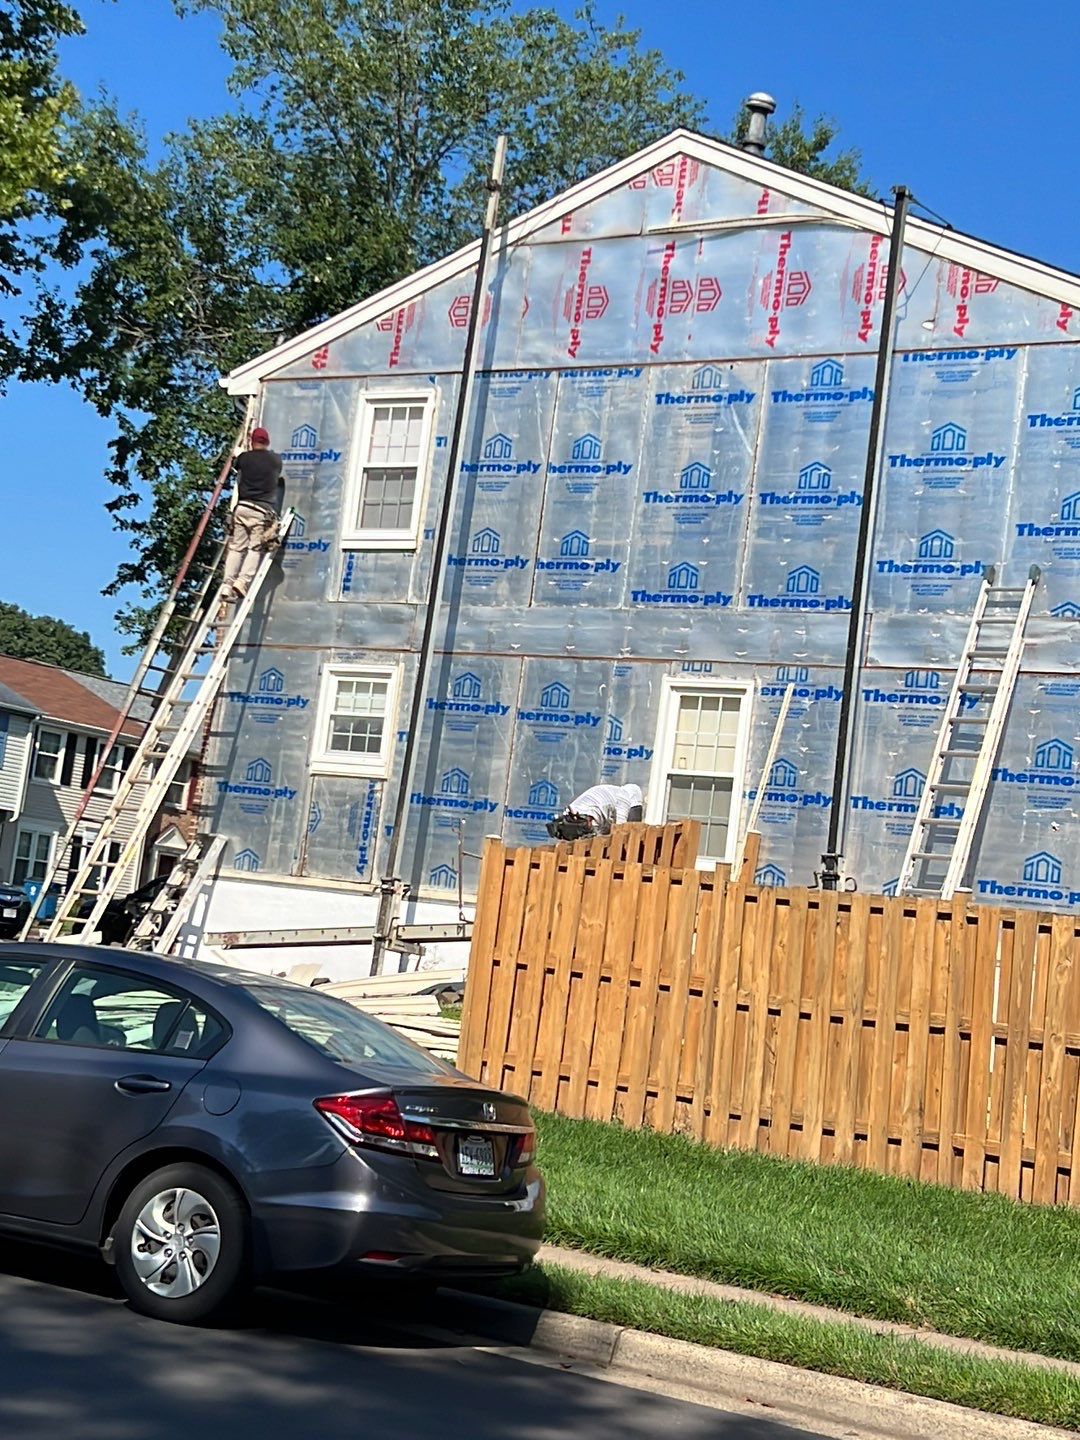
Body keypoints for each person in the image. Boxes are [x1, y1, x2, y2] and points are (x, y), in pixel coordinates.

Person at [220, 426, 284, 607]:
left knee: (236, 548)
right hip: (261, 511)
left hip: (242, 508)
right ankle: (242, 582)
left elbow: (237, 461)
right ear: (268, 442)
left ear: (251, 441)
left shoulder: (244, 459)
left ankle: (227, 585)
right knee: (254, 549)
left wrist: (239, 452)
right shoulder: (275, 460)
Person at [546, 782, 644, 842]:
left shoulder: (607, 803)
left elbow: (621, 831)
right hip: (604, 814)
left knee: (628, 835)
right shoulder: (572, 813)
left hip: (628, 798)